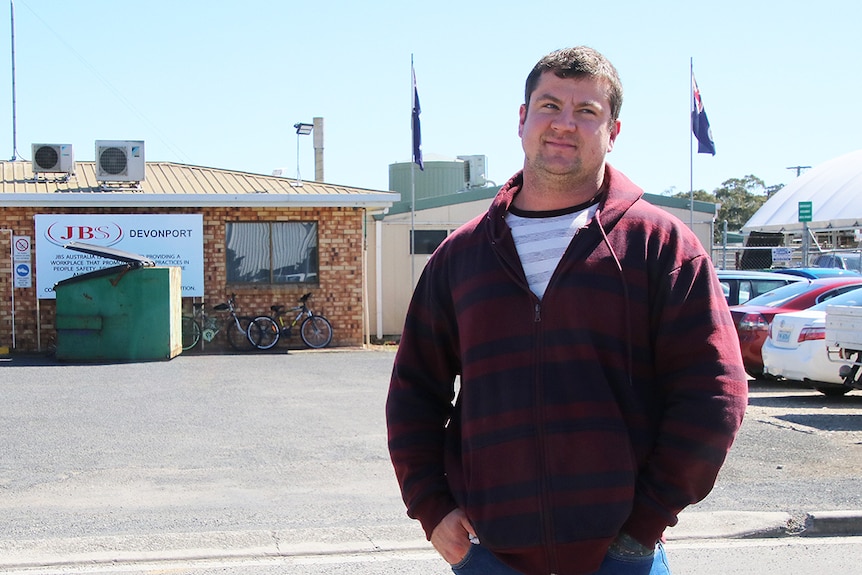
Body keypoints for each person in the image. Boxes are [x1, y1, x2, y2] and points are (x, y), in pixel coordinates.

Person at [386, 46, 748, 575]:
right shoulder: (459, 258)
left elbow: (714, 392)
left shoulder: (661, 246)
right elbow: (414, 393)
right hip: (488, 555)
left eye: (586, 112)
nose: (563, 124)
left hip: (622, 556)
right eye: (549, 105)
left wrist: (645, 522)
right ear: (522, 119)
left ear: (613, 132)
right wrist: (431, 507)